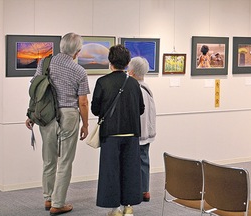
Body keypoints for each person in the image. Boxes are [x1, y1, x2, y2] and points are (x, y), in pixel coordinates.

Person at [25, 33, 90, 215]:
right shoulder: (79, 71)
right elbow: (83, 102)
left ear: (61, 46)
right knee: (65, 161)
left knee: (48, 158)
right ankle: (58, 203)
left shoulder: (45, 63)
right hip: (69, 114)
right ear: (77, 52)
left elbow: (36, 91)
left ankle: (48, 198)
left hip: (46, 114)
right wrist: (85, 125)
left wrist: (30, 114)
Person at [91, 45, 144, 216]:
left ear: (110, 62)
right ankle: (129, 207)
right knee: (130, 170)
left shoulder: (102, 82)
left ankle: (115, 210)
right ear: (128, 63)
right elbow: (141, 108)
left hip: (111, 133)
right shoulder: (134, 83)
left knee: (111, 171)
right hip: (131, 133)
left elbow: (95, 109)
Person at [128, 57, 156, 202]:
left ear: (131, 72)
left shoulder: (134, 89)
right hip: (147, 131)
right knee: (144, 160)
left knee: (132, 161)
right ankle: (145, 190)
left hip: (137, 132)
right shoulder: (147, 88)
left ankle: (135, 190)